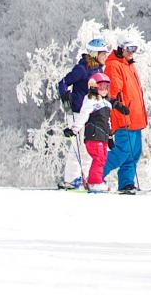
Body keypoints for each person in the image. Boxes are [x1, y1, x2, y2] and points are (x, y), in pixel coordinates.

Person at [55, 38, 111, 189]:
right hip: (76, 112)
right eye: (103, 53)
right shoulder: (82, 69)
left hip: (90, 113)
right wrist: (65, 96)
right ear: (94, 53)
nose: (105, 56)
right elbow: (63, 83)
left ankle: (84, 178)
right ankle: (71, 180)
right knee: (78, 146)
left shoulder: (99, 70)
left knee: (87, 147)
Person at [102, 39, 150, 194]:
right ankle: (95, 176)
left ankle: (126, 183)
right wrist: (118, 106)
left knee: (134, 153)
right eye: (128, 49)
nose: (131, 52)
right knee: (122, 152)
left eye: (134, 49)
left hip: (136, 117)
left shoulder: (129, 65)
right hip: (124, 117)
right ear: (121, 48)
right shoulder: (114, 65)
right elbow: (113, 91)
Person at [70, 72, 125, 193]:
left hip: (103, 137)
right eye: (101, 87)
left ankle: (93, 180)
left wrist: (110, 137)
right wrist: (73, 130)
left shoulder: (106, 103)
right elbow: (83, 116)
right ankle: (95, 183)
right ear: (94, 87)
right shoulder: (91, 101)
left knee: (103, 159)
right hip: (93, 136)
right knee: (99, 159)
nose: (104, 90)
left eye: (106, 87)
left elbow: (108, 122)